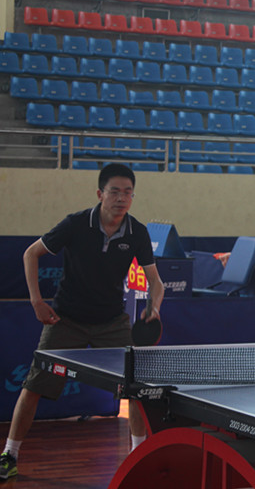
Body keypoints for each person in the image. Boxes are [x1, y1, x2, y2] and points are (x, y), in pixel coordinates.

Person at [0, 164, 165, 481]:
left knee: (136, 388)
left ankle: (137, 458)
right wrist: (36, 301)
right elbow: (31, 254)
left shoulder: (137, 232)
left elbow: (155, 281)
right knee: (34, 386)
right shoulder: (76, 224)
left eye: (128, 192)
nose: (121, 198)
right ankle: (10, 454)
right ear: (100, 193)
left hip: (112, 321)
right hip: (67, 320)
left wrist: (154, 307)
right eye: (115, 191)